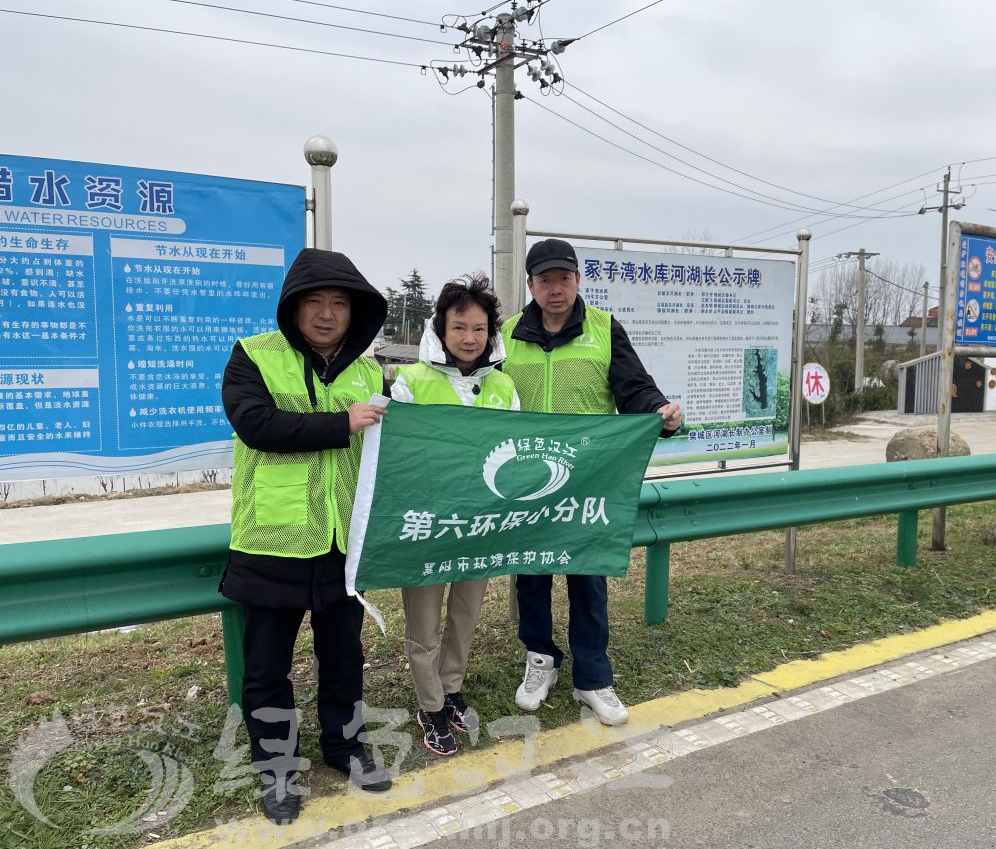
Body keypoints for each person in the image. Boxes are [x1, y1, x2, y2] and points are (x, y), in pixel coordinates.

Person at [220, 247, 391, 825]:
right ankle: (277, 770)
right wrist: (341, 423)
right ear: (293, 307)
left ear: (355, 311)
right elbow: (256, 424)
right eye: (314, 302)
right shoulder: (253, 356)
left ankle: (345, 747)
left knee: (344, 655)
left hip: (344, 542)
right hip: (273, 542)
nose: (326, 314)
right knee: (267, 666)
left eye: (339, 303)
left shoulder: (370, 373)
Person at [500, 238, 683, 726]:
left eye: (563, 278)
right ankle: (540, 660)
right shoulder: (507, 334)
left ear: (577, 280)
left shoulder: (603, 328)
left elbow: (634, 387)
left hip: (587, 483)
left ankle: (593, 677)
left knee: (587, 580)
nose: (555, 289)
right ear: (531, 285)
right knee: (531, 577)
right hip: (523, 483)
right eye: (544, 280)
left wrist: (660, 411)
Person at [389, 273, 520, 756]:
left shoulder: (504, 386)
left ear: (491, 333)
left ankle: (451, 687)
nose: (469, 338)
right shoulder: (412, 381)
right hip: (429, 526)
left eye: (479, 328)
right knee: (423, 623)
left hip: (480, 525)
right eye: (459, 327)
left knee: (465, 616)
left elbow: (517, 454)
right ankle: (429, 704)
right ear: (440, 329)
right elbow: (397, 455)